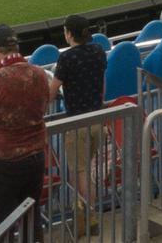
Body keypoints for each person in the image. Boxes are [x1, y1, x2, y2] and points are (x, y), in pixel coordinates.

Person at [0, 24, 56, 243]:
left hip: (4, 163)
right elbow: (42, 106)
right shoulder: (38, 74)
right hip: (35, 158)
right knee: (31, 219)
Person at [53, 15, 107, 228]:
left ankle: (89, 215)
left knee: (80, 172)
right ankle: (85, 212)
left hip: (78, 124)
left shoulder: (67, 58)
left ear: (69, 34)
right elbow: (102, 85)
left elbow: (51, 91)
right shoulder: (98, 51)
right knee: (86, 170)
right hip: (97, 120)